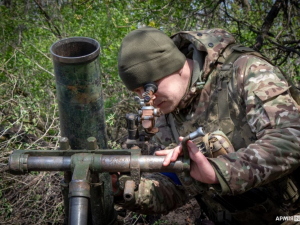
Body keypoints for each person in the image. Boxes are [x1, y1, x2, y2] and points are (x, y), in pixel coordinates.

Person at [116, 26, 300, 224]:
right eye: (138, 93)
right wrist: (119, 189)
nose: (148, 101)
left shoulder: (246, 71)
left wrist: (220, 171)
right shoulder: (165, 116)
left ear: (171, 66)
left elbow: (291, 138)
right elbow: (174, 188)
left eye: (149, 89)